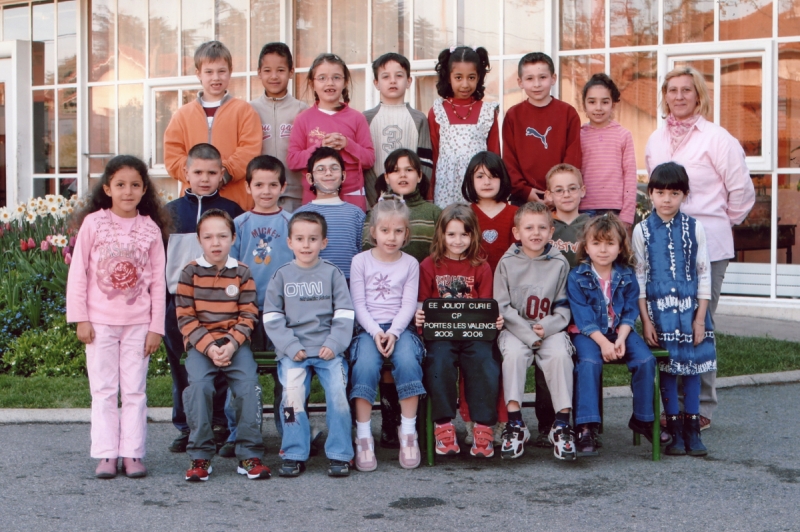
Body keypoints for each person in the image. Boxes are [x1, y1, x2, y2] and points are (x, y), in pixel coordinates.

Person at [645, 66, 755, 430]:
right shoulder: (656, 139)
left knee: (700, 324)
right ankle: (673, 407)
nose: (679, 96)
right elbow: (656, 189)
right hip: (664, 245)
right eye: (672, 90)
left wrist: (713, 225)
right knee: (668, 324)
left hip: (708, 247)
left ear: (699, 95)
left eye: (686, 90)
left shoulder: (718, 139)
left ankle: (701, 406)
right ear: (665, 95)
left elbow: (741, 193)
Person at [67, 155, 169, 479]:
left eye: (135, 185)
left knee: (135, 389)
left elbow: (159, 282)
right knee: (105, 389)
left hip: (139, 324)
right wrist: (81, 318)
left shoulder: (150, 229)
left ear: (144, 190)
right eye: (120, 185)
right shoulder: (94, 224)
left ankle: (133, 453)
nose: (128, 191)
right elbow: (78, 274)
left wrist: (156, 327)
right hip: (100, 323)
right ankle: (107, 453)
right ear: (108, 188)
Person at [176, 209, 270, 482]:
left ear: (233, 238)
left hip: (235, 343)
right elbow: (185, 317)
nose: (215, 243)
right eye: (208, 237)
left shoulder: (241, 272)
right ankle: (200, 456)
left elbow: (249, 313)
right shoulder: (189, 272)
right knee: (200, 387)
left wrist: (230, 344)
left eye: (222, 236)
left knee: (247, 386)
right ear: (199, 240)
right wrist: (208, 347)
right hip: (201, 344)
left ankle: (249, 454)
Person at [163, 143, 244, 455]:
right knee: (182, 368)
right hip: (178, 303)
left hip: (221, 303)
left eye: (212, 173)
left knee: (220, 365)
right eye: (198, 172)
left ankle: (219, 423)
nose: (205, 178)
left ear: (222, 174)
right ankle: (187, 426)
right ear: (186, 173)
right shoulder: (169, 213)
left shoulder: (232, 212)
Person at [262, 211, 355, 478]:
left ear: (323, 242)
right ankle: (293, 451)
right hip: (295, 351)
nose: (306, 245)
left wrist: (334, 343)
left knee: (338, 394)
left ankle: (339, 454)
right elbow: (272, 317)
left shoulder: (333, 273)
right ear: (289, 242)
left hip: (328, 351)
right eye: (300, 238)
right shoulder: (282, 275)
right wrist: (291, 346)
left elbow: (345, 313)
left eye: (312, 239)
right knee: (292, 400)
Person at [634, 162, 715, 457]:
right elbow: (639, 279)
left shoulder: (695, 228)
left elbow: (703, 273)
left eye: (674, 193)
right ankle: (675, 427)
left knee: (691, 367)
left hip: (691, 310)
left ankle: (693, 428)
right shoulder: (641, 231)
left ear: (685, 195)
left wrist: (700, 318)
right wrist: (645, 320)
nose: (667, 199)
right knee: (667, 368)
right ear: (650, 194)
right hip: (659, 313)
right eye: (660, 192)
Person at [362, 148, 441, 448]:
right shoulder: (375, 213)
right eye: (396, 170)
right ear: (386, 177)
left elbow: (440, 257)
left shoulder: (433, 213)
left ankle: (417, 420)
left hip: (419, 299)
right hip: (383, 298)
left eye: (410, 169)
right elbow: (364, 252)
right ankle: (390, 415)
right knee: (380, 359)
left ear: (420, 176)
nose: (403, 175)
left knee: (408, 355)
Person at [217, 155, 294, 458]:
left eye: (272, 184)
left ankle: (290, 432)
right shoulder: (238, 225)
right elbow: (228, 270)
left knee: (285, 376)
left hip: (282, 313)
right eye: (258, 184)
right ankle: (238, 433)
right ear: (247, 187)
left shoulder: (292, 223)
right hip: (246, 312)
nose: (265, 191)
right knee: (240, 373)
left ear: (282, 187)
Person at [415, 204, 505, 458]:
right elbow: (422, 302)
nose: (457, 240)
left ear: (473, 235)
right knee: (438, 362)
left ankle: (484, 425)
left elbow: (487, 305)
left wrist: (494, 321)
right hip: (441, 334)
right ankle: (443, 425)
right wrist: (419, 314)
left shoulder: (481, 266)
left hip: (474, 334)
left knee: (484, 362)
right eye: (451, 234)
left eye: (464, 234)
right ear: (441, 235)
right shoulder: (430, 265)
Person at [567, 214, 657, 456]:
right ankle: (586, 426)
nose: (603, 250)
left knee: (645, 360)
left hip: (620, 331)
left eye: (610, 243)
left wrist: (620, 338)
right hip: (589, 334)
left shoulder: (627, 276)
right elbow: (583, 318)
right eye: (596, 243)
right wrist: (604, 343)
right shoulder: (577, 277)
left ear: (620, 248)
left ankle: (643, 418)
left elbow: (629, 311)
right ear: (586, 247)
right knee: (588, 362)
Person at [494, 202, 576, 461]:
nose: (536, 233)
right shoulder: (506, 263)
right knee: (515, 356)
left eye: (542, 227)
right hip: (516, 330)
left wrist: (548, 327)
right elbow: (503, 308)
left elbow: (564, 307)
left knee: (561, 355)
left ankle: (561, 424)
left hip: (548, 329)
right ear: (517, 232)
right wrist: (529, 335)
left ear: (551, 232)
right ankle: (515, 423)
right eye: (528, 227)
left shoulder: (560, 263)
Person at [349, 198, 425, 471]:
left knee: (407, 361)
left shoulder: (410, 263)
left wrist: (392, 332)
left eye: (398, 231)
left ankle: (408, 432)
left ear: (407, 233)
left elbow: (408, 304)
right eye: (385, 231)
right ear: (373, 231)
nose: (391, 237)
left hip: (400, 328)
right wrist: (374, 331)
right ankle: (364, 435)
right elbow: (358, 303)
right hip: (368, 328)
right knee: (366, 364)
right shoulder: (360, 261)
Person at [458, 150, 515, 446]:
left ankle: (506, 422)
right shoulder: (465, 214)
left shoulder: (514, 214)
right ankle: (471, 421)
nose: (487, 181)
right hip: (473, 303)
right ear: (470, 180)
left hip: (507, 302)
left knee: (501, 360)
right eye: (479, 176)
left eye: (493, 175)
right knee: (473, 359)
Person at [164, 41, 262, 211]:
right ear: (198, 74)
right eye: (209, 72)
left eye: (221, 71)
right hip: (192, 205)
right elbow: (172, 156)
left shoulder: (244, 110)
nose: (216, 77)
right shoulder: (182, 115)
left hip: (234, 202)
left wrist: (222, 175)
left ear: (230, 72)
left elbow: (249, 151)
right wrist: (196, 176)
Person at [287, 53, 375, 211]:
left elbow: (369, 159)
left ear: (345, 81)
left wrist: (348, 144)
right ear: (312, 83)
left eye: (336, 77)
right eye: (322, 78)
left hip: (351, 197)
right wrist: (319, 147)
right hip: (314, 198)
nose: (330, 83)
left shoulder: (357, 118)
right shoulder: (303, 119)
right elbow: (293, 161)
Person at [503, 52, 582, 204]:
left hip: (562, 197)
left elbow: (573, 157)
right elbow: (509, 160)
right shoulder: (513, 116)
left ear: (553, 78)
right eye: (530, 78)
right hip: (524, 198)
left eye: (542, 77)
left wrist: (559, 190)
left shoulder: (568, 113)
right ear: (520, 82)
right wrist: (524, 191)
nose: (537, 84)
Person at [428, 46, 500, 208]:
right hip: (446, 188)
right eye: (458, 77)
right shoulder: (438, 111)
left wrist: (497, 196)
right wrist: (429, 194)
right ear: (448, 77)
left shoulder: (488, 112)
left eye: (471, 77)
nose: (465, 84)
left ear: (479, 78)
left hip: (479, 188)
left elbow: (495, 155)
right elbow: (434, 154)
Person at [363, 53, 433, 208]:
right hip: (377, 200)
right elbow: (365, 164)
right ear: (376, 83)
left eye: (399, 76)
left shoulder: (418, 118)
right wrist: (376, 195)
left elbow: (425, 162)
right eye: (386, 76)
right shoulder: (365, 119)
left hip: (412, 201)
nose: (393, 81)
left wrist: (416, 194)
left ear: (409, 81)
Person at [249, 42, 309, 213]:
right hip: (260, 196)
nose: (274, 76)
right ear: (259, 73)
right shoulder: (249, 110)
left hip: (294, 196)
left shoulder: (302, 110)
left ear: (291, 72)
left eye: (281, 70)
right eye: (267, 70)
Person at [295, 147, 365, 281]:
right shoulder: (300, 215)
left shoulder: (356, 214)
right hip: (311, 282)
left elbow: (362, 254)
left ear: (343, 175)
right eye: (321, 169)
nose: (328, 173)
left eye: (334, 168)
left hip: (348, 283)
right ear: (310, 178)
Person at [579, 73, 637, 231]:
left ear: (613, 105)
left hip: (615, 211)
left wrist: (627, 214)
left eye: (605, 102)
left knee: (613, 253)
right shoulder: (578, 135)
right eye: (592, 102)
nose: (598, 108)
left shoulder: (623, 135)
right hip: (583, 209)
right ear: (584, 105)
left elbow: (630, 176)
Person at [547, 163, 591, 269]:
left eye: (572, 188)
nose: (566, 195)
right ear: (549, 195)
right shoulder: (543, 225)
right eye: (559, 190)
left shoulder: (592, 226)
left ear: (582, 191)